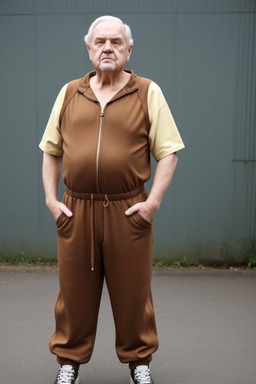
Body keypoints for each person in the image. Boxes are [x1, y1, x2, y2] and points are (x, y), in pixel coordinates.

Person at [39, 15, 184, 384]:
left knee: (134, 293)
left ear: (128, 49)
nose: (108, 47)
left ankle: (139, 364)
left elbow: (168, 152)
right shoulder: (70, 92)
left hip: (128, 209)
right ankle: (69, 363)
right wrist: (51, 200)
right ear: (89, 50)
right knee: (73, 294)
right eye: (100, 41)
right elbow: (51, 150)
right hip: (77, 208)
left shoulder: (148, 91)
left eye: (116, 42)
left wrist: (152, 204)